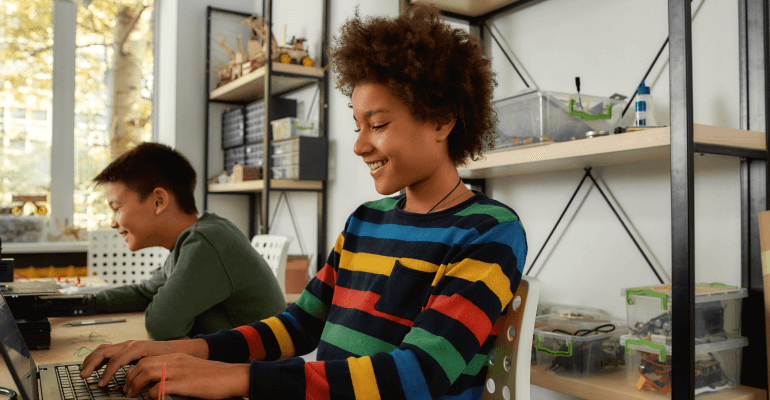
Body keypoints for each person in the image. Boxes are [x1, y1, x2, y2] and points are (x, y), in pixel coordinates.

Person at [79, 5, 527, 399]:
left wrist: (238, 379)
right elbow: (298, 326)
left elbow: (419, 376)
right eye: (357, 127)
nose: (360, 146)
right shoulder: (364, 222)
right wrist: (182, 351)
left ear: (442, 120)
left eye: (379, 124)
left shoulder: (487, 231)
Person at [89, 142, 287, 341]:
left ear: (158, 201)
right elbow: (144, 293)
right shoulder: (187, 244)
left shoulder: (207, 242)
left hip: (253, 369)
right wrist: (81, 302)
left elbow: (161, 324)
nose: (113, 223)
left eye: (117, 208)